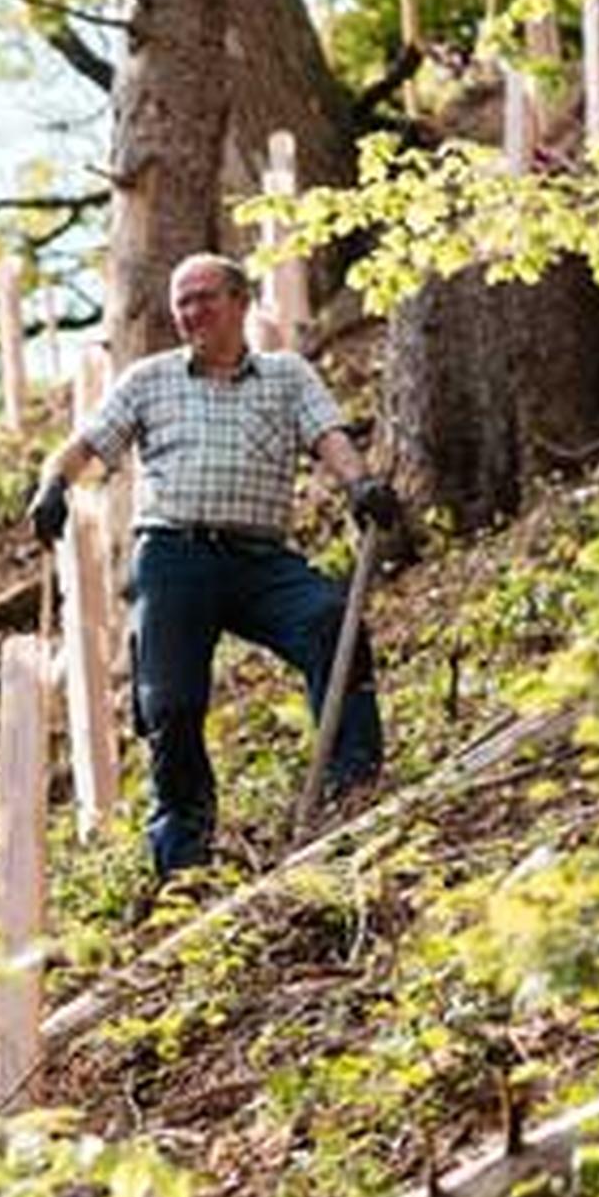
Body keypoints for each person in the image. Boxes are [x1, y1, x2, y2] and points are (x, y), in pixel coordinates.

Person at [30, 250, 407, 875]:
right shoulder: (150, 379)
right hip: (173, 557)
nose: (191, 311)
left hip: (262, 559)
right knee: (170, 705)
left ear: (240, 302)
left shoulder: (287, 376)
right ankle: (183, 857)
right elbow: (86, 444)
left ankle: (353, 790)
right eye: (182, 301)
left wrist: (360, 484)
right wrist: (53, 486)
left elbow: (328, 437)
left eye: (204, 297)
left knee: (332, 623)